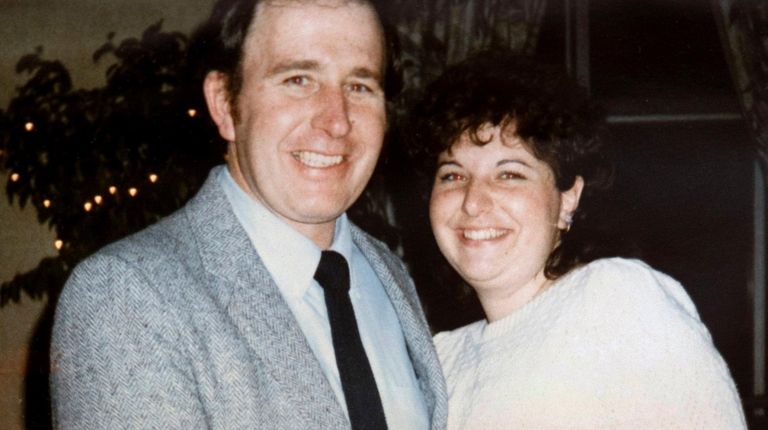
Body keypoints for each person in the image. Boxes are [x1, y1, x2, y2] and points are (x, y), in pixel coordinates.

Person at [49, 1, 447, 428]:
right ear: (224, 104)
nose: (337, 122)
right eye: (299, 79)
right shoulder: (126, 299)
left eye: (359, 86)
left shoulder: (391, 276)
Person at [411, 50, 747, 429]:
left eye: (509, 175)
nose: (473, 202)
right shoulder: (444, 359)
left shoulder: (615, 301)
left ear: (568, 195)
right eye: (453, 175)